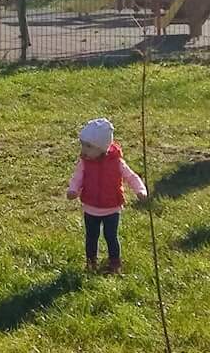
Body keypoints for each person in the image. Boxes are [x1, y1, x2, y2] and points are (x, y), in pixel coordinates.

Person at [63, 117, 148, 274]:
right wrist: (73, 190)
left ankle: (115, 262)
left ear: (102, 148)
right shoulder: (85, 162)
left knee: (111, 237)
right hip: (90, 208)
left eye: (88, 146)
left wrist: (140, 190)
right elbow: (77, 178)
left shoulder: (117, 162)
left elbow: (131, 176)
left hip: (111, 208)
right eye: (82, 145)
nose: (84, 150)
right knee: (91, 237)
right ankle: (91, 262)